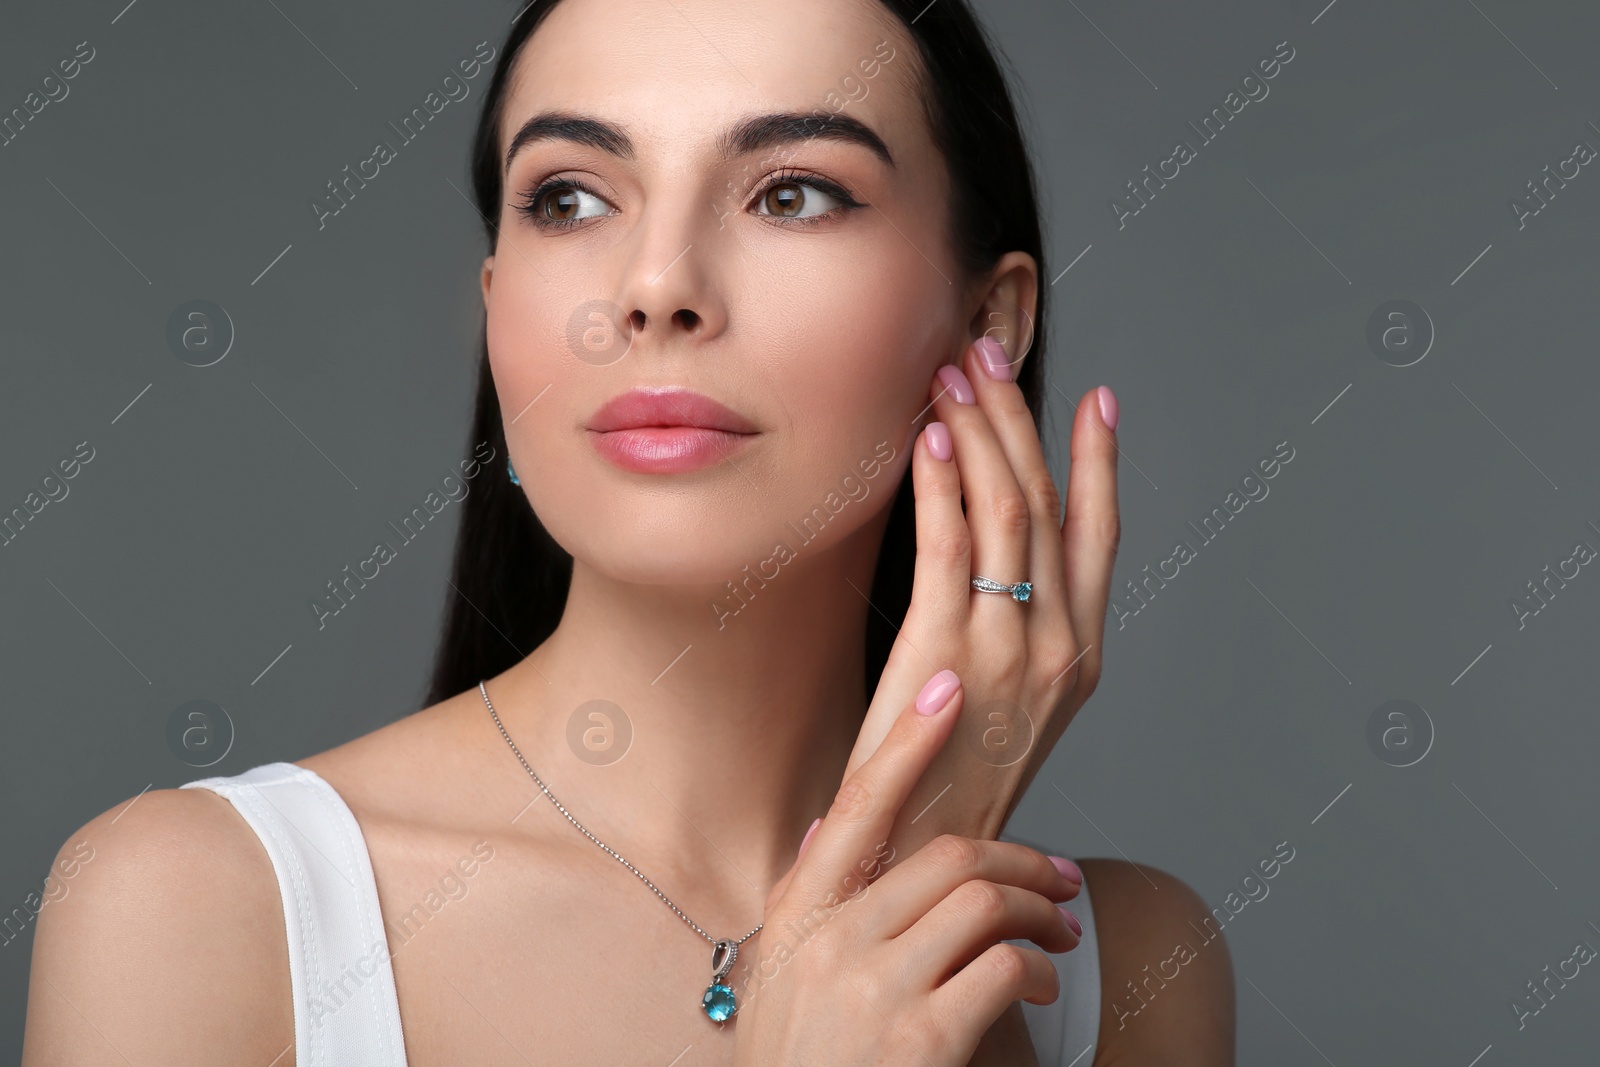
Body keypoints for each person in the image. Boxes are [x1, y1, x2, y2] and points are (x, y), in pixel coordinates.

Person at [21, 0, 1234, 1063]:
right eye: (570, 197)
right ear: (498, 305)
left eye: (792, 192)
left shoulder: (1123, 972)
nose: (656, 284)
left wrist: (922, 860)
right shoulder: (190, 909)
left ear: (988, 322)